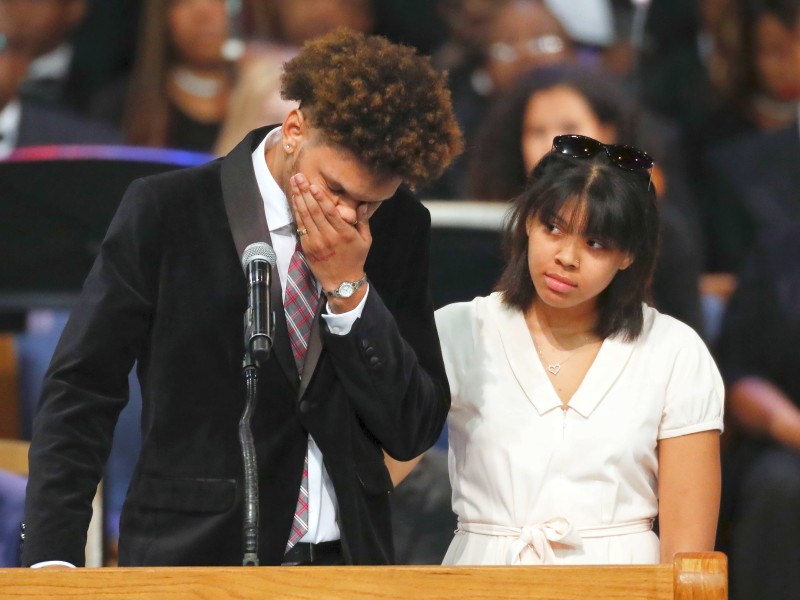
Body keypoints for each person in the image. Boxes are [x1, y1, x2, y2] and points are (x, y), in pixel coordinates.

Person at [21, 28, 462, 568]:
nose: (348, 215)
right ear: (295, 129)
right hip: (190, 557)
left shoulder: (399, 228)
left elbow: (414, 425)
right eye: (336, 189)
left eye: (369, 203)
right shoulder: (169, 210)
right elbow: (83, 388)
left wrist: (349, 292)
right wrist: (52, 557)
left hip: (344, 563)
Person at [435, 134, 723, 565]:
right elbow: (377, 470)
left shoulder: (675, 352)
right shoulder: (459, 329)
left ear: (627, 256)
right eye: (553, 228)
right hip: (484, 576)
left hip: (625, 586)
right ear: (527, 222)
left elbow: (689, 561)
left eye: (595, 244)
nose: (567, 256)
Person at [468, 64, 706, 337]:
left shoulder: (662, 231)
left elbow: (688, 331)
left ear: (607, 132)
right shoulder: (480, 222)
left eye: (570, 130)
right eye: (536, 131)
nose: (552, 144)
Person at [713, 222, 800, 600]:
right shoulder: (781, 251)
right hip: (786, 441)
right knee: (779, 484)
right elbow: (739, 375)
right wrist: (791, 427)